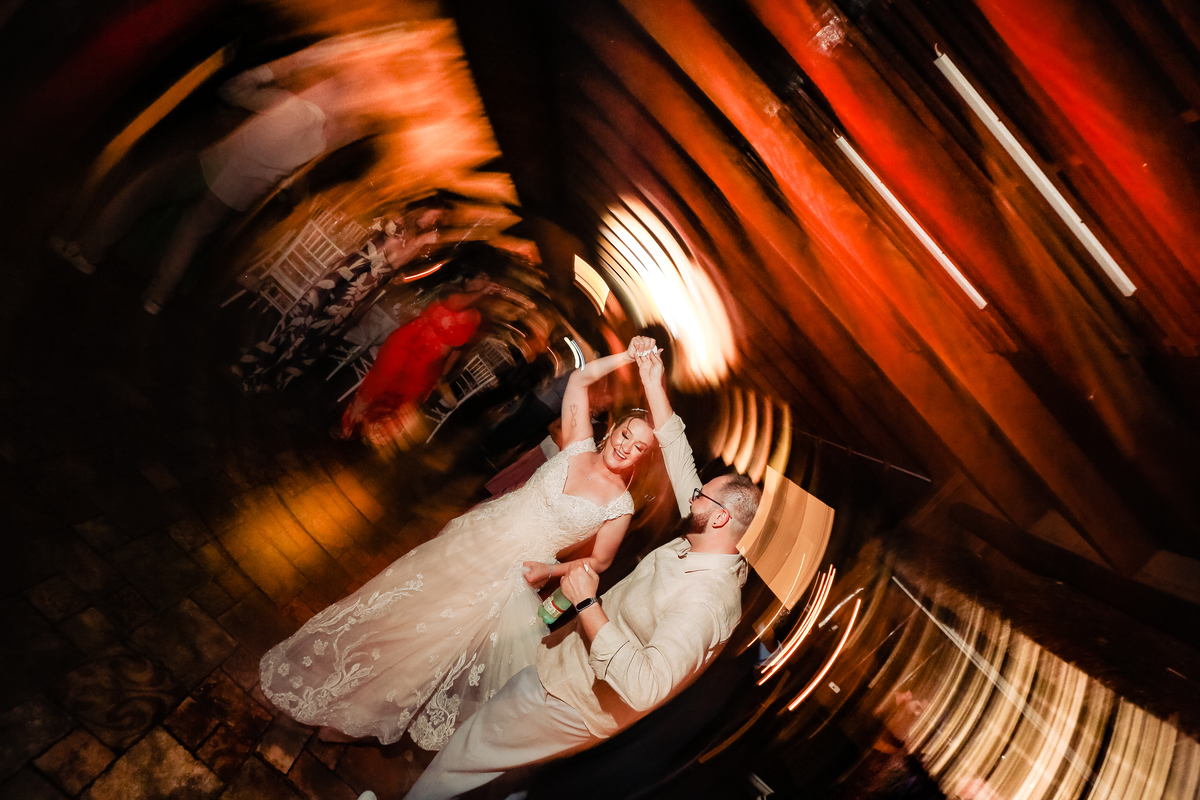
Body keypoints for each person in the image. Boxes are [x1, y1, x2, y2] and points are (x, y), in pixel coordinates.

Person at [404, 336, 762, 800]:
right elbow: (676, 449)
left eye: (701, 494)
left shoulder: (707, 601)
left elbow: (646, 684)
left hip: (572, 700)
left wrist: (588, 604)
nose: (690, 493)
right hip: (563, 667)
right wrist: (653, 379)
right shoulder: (705, 543)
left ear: (720, 517)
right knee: (508, 774)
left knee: (469, 751)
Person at [260, 339, 659, 751]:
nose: (625, 446)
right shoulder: (576, 442)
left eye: (638, 447)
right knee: (403, 608)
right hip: (475, 538)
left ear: (642, 457)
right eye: (626, 433)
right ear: (614, 428)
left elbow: (598, 560)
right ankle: (337, 677)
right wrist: (629, 356)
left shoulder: (620, 505)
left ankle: (359, 715)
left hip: (511, 574)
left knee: (434, 642)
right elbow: (581, 376)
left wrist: (550, 571)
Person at [49, 41, 380, 313]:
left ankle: (87, 253)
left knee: (142, 192)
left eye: (327, 82)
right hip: (239, 193)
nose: (320, 81)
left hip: (213, 168)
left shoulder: (292, 109)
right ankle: (156, 298)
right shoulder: (319, 142)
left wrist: (276, 69)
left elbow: (235, 89)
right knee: (190, 236)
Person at [236, 202, 448, 392]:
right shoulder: (396, 221)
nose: (433, 221)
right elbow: (392, 259)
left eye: (436, 219)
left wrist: (401, 271)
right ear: (421, 208)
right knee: (303, 320)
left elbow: (395, 266)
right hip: (344, 280)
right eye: (433, 214)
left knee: (317, 334)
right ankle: (253, 368)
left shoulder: (411, 236)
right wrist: (420, 242)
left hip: (359, 291)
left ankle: (272, 377)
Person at [338, 272, 497, 445]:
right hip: (404, 349)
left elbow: (458, 349)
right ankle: (349, 427)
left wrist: (442, 376)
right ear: (467, 279)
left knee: (401, 401)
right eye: (482, 277)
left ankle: (374, 435)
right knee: (376, 387)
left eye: (489, 279)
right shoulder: (450, 290)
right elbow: (453, 304)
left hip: (427, 367)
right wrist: (483, 292)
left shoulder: (477, 317)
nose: (487, 282)